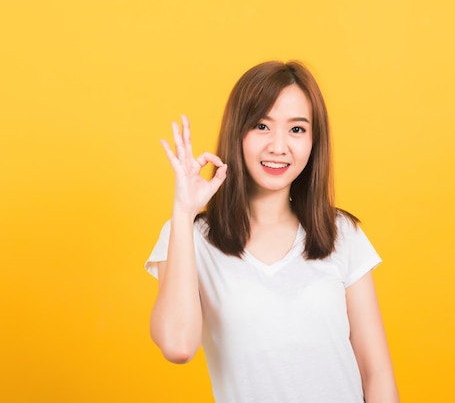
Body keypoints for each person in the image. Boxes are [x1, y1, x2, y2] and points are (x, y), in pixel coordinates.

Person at [145, 60, 399, 403]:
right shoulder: (191, 237)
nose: (279, 146)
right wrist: (183, 210)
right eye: (262, 126)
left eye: (297, 129)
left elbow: (377, 373)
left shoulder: (340, 233)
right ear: (238, 132)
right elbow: (177, 346)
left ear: (314, 141)